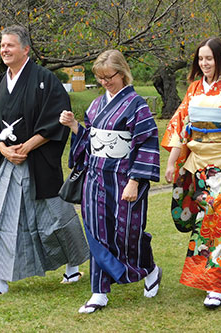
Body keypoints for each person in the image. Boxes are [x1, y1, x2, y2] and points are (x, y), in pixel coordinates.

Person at [0, 25, 89, 299]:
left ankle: (73, 266)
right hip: (8, 163)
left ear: (26, 49)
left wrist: (26, 146)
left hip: (38, 161)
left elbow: (56, 119)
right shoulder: (0, 84)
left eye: (9, 45)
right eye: (2, 46)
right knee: (2, 213)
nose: (4, 50)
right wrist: (4, 149)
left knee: (57, 217)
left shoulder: (45, 79)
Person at [59, 49, 161, 313]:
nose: (105, 82)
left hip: (125, 176)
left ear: (123, 73)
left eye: (109, 76)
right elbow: (90, 139)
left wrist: (136, 180)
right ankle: (98, 292)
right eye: (101, 77)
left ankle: (149, 268)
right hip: (95, 175)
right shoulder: (95, 105)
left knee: (127, 232)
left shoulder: (137, 105)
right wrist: (74, 128)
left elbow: (147, 143)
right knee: (97, 231)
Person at [161, 37, 221, 309]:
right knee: (204, 223)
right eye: (200, 59)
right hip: (199, 165)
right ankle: (206, 277)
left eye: (209, 59)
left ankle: (216, 285)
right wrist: (171, 163)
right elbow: (180, 127)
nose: (204, 64)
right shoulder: (193, 89)